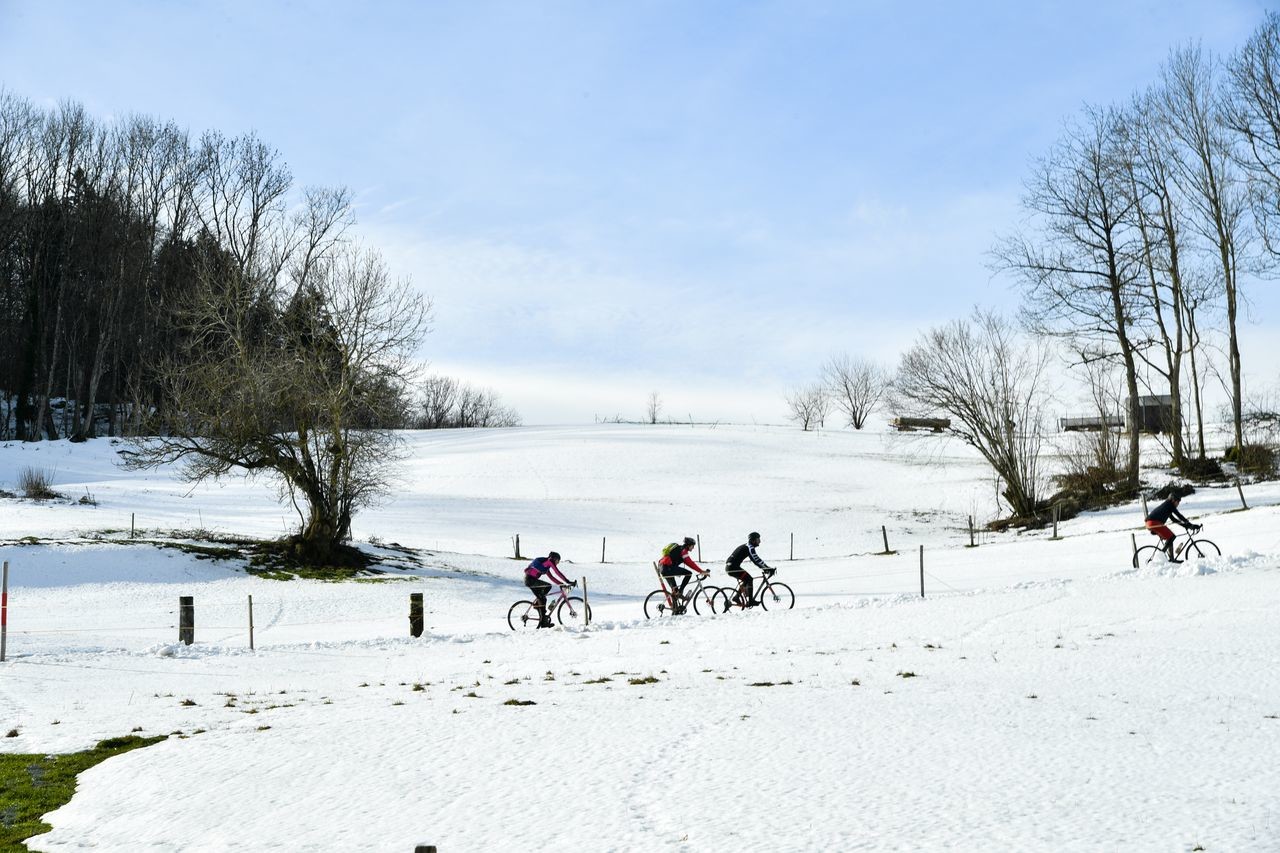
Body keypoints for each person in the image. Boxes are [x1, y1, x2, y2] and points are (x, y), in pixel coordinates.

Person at [658, 536, 707, 614]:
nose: (693, 548)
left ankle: (675, 611)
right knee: (688, 574)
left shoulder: (680, 549)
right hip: (668, 568)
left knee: (674, 591)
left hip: (663, 568)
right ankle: (680, 592)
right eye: (693, 546)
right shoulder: (683, 551)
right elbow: (690, 563)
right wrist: (701, 571)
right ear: (689, 545)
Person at [1144, 495, 1200, 563]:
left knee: (1170, 537)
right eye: (1177, 502)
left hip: (1150, 523)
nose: (1178, 504)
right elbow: (1179, 515)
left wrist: (1187, 526)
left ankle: (1171, 559)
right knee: (1172, 537)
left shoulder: (1167, 506)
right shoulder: (1169, 505)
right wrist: (1190, 525)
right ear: (1173, 500)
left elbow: (1174, 519)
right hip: (1154, 523)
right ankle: (1161, 556)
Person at [524, 551, 574, 628]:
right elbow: (557, 572)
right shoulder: (549, 562)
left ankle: (541, 615)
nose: (558, 563)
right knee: (547, 587)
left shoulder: (546, 566)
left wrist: (561, 584)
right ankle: (542, 620)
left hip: (531, 580)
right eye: (558, 560)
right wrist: (568, 581)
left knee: (543, 599)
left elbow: (552, 578)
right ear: (554, 559)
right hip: (530, 580)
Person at [725, 531, 774, 607]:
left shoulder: (747, 546)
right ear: (753, 540)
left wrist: (765, 568)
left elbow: (756, 560)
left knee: (746, 579)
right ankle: (750, 601)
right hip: (732, 567)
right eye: (758, 540)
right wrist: (767, 568)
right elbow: (756, 559)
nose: (759, 542)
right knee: (749, 579)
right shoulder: (749, 547)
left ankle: (737, 597)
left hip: (731, 567)